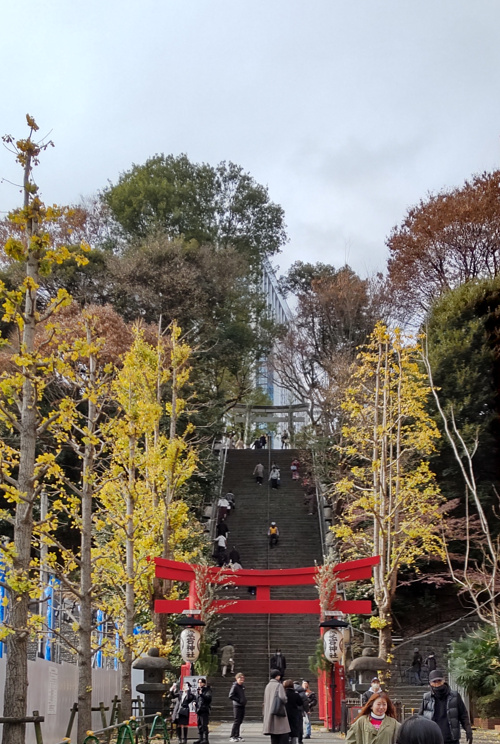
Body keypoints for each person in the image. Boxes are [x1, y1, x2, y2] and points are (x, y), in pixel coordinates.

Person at [419, 670, 473, 744]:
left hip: (451, 738)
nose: (437, 684)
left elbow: (463, 715)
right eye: (435, 682)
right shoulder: (427, 698)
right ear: (430, 683)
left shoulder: (455, 696)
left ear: (444, 680)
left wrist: (468, 730)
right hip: (432, 738)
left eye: (439, 681)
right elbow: (420, 717)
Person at [262, 669, 290, 744]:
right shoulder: (279, 685)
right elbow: (283, 698)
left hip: (269, 712)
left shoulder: (267, 686)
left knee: (273, 736)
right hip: (278, 711)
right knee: (282, 732)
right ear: (277, 676)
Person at [284, 680, 304, 744]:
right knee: (293, 729)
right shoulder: (295, 694)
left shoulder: (283, 693)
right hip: (294, 713)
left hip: (284, 713)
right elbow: (300, 703)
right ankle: (293, 741)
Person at [229, 672, 247, 742]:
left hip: (242, 705)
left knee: (240, 721)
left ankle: (237, 735)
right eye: (240, 678)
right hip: (237, 705)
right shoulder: (235, 686)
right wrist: (239, 700)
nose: (242, 680)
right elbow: (231, 695)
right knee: (236, 721)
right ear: (237, 679)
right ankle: (232, 735)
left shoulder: (242, 686)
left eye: (243, 678)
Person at [195, 677, 212, 744]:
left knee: (204, 725)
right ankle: (200, 738)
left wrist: (202, 694)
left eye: (201, 682)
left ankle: (206, 739)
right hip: (199, 709)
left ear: (204, 683)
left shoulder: (207, 690)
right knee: (199, 725)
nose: (200, 684)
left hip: (204, 709)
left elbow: (208, 699)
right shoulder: (198, 690)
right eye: (199, 682)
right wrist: (194, 702)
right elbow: (196, 698)